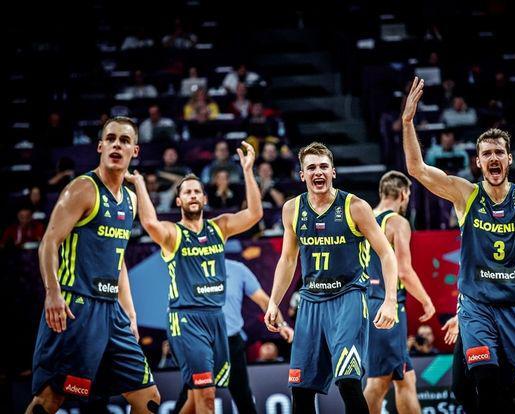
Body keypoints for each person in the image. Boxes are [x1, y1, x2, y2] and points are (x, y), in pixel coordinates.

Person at [402, 68, 515, 413]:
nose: (493, 158)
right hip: (477, 306)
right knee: (485, 381)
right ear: (478, 162)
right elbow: (417, 169)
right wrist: (408, 122)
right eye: (487, 154)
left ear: (509, 159)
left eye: (499, 152)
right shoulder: (466, 195)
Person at [26, 116, 160, 414]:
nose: (116, 145)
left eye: (124, 140)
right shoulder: (82, 188)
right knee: (49, 400)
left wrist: (130, 313)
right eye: (110, 139)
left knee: (148, 398)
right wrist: (52, 292)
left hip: (112, 312)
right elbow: (49, 243)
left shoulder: (130, 199)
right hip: (76, 305)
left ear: (135, 151)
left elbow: (118, 260)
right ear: (100, 147)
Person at [126, 141, 262, 414]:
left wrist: (248, 171)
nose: (192, 195)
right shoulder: (173, 233)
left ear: (204, 198)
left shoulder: (219, 227)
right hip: (186, 319)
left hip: (216, 318)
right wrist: (140, 184)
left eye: (197, 191)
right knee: (206, 394)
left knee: (193, 396)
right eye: (187, 192)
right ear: (178, 201)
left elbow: (255, 214)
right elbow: (150, 223)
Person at [264, 142, 398, 414]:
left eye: (324, 167)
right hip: (310, 301)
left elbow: (386, 253)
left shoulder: (355, 206)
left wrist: (390, 300)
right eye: (311, 167)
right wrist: (273, 302)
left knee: (348, 382)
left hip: (348, 297)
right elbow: (288, 260)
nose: (318, 172)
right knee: (301, 390)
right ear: (302, 175)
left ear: (333, 172)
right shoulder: (292, 209)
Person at [172, 258, 294, 414]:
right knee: (190, 394)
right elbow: (177, 306)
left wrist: (282, 325)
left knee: (243, 396)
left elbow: (264, 301)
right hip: (202, 342)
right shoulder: (190, 268)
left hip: (231, 343)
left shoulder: (238, 269)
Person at [363, 170, 435, 414]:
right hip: (386, 304)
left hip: (366, 303)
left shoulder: (364, 218)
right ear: (404, 194)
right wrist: (426, 300)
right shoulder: (397, 222)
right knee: (378, 382)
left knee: (405, 377)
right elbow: (404, 271)